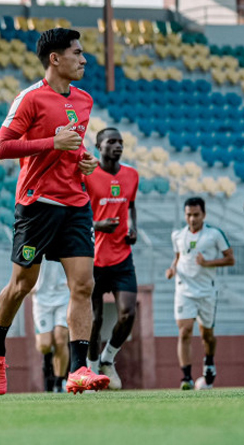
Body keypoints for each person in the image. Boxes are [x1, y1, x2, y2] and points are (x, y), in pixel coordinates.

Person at [0, 27, 105, 395]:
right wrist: (51, 142)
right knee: (23, 285)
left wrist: (84, 159)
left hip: (75, 203)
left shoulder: (84, 100)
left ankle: (79, 369)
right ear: (55, 58)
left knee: (84, 284)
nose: (84, 59)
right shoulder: (30, 99)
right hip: (37, 204)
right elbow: (2, 148)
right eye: (77, 52)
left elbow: (72, 147)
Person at [85, 128, 139, 390]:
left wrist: (133, 228)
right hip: (92, 259)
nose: (118, 146)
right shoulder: (87, 175)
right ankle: (92, 368)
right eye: (111, 142)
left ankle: (108, 359)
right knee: (94, 320)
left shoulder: (131, 174)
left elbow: (130, 205)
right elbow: (75, 214)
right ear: (98, 146)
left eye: (120, 141)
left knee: (128, 313)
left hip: (121, 257)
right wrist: (96, 225)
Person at [166, 197, 234, 390]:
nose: (192, 219)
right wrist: (172, 269)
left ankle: (209, 361)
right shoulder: (178, 236)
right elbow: (178, 257)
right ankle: (186, 377)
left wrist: (208, 263)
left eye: (196, 215)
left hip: (206, 291)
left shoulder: (214, 235)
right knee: (185, 330)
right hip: (184, 290)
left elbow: (230, 259)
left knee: (207, 335)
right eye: (189, 215)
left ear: (204, 214)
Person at [31, 261, 70, 393]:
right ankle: (48, 361)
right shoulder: (36, 240)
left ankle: (58, 383)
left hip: (64, 295)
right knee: (45, 345)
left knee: (61, 339)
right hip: (41, 298)